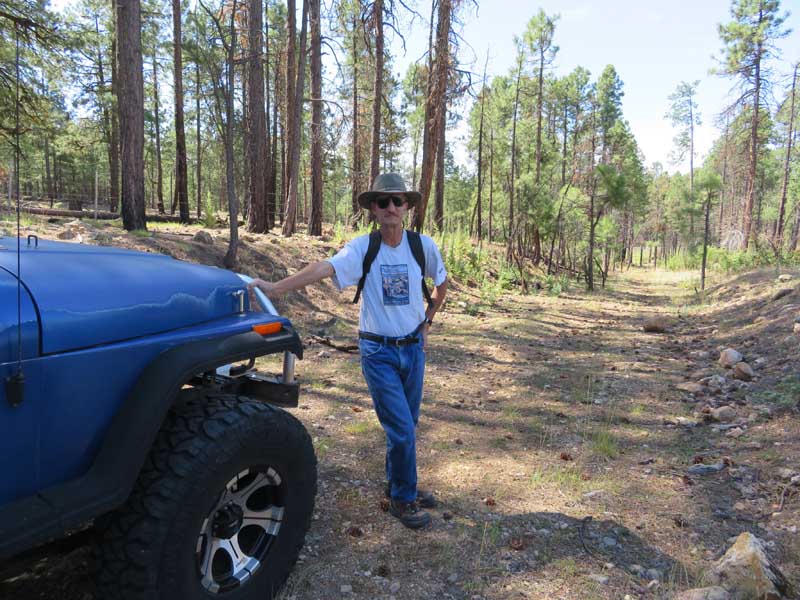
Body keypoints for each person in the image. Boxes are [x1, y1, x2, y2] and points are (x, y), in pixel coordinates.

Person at [248, 173, 448, 529]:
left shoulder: (422, 246)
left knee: (407, 424)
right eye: (383, 201)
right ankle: (403, 499)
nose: (390, 207)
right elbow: (324, 267)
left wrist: (427, 323)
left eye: (397, 201)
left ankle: (399, 482)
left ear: (406, 206)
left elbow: (442, 285)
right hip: (378, 352)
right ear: (374, 208)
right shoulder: (362, 249)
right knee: (402, 428)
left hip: (413, 349)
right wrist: (277, 288)